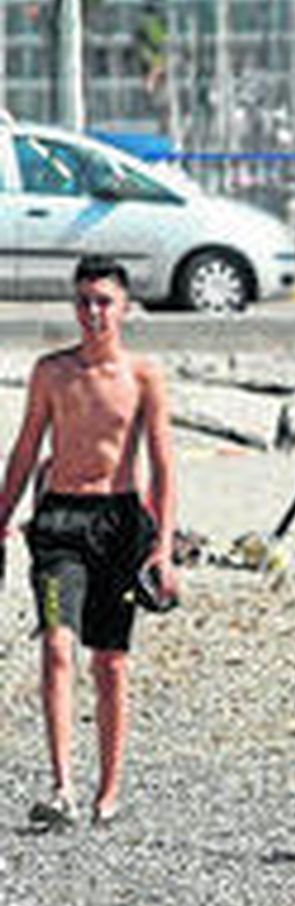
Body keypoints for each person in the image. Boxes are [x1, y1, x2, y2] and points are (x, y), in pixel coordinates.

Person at [0, 256, 179, 828]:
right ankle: (62, 788)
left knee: (110, 663)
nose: (93, 312)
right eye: (83, 301)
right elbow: (26, 447)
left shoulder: (144, 375)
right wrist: (2, 514)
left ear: (124, 308)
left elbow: (163, 466)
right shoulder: (52, 372)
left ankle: (108, 791)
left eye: (104, 301)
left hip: (120, 523)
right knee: (57, 644)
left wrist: (163, 547)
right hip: (59, 523)